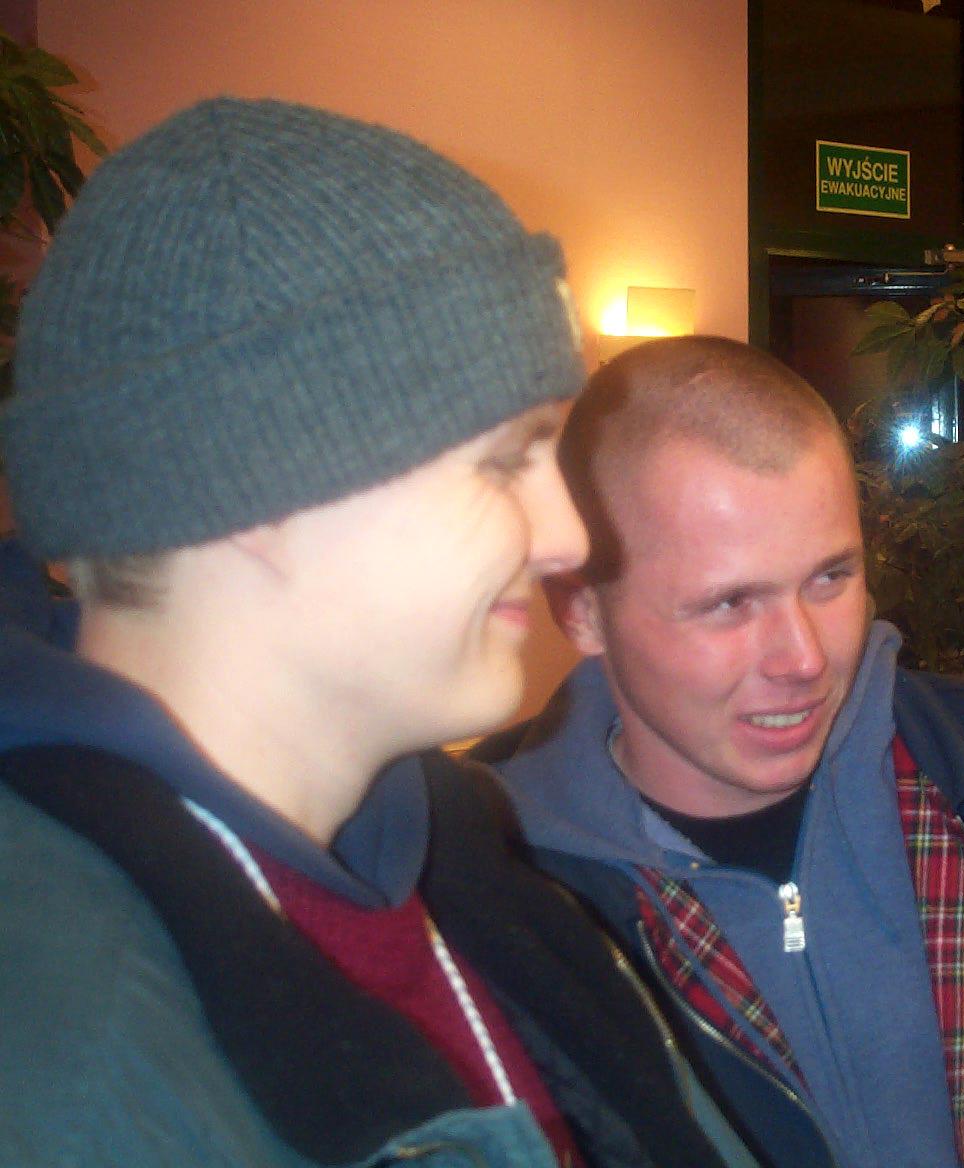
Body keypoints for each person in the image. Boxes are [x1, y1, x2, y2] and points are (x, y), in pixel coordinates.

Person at [0, 98, 753, 1168]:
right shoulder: (62, 1065)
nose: (570, 537)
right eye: (505, 461)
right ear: (253, 481)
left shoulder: (477, 869)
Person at [487, 335, 964, 1168]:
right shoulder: (486, 901)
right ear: (581, 609)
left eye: (830, 578)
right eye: (730, 603)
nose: (803, 658)